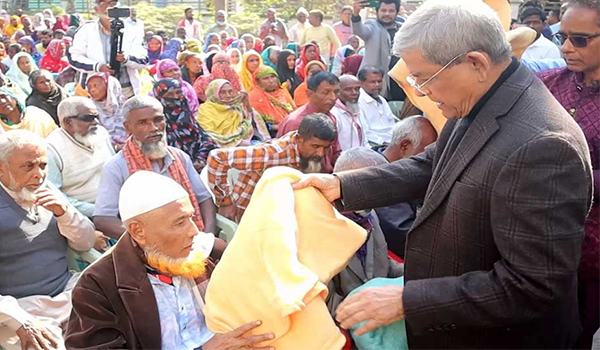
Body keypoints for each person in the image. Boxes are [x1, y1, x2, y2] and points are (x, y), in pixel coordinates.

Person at [293, 1, 593, 348]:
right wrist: (342, 185)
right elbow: (432, 163)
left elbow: (532, 287)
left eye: (424, 77)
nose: (419, 91)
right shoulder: (484, 98)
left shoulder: (543, 146)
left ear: (476, 63)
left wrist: (407, 301)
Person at [65, 170, 271, 349]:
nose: (194, 231)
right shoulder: (97, 287)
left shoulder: (208, 251)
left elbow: (264, 273)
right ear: (138, 231)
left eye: (191, 217)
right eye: (180, 222)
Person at [536, 1, 599, 347]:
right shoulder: (545, 84)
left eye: (580, 39)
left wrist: (564, 177)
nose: (565, 48)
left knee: (575, 335)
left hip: (590, 248)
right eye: (562, 37)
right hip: (534, 238)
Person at [0, 130, 95, 350]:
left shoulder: (45, 190)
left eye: (43, 166)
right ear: (1, 168)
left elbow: (85, 243)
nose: (39, 174)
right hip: (21, 309)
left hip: (70, 291)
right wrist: (20, 321)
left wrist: (65, 213)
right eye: (28, 166)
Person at [93, 95, 217, 240]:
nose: (153, 128)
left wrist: (208, 235)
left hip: (193, 236)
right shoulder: (116, 167)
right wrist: (150, 241)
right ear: (128, 127)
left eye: (158, 120)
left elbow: (204, 197)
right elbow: (103, 219)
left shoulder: (179, 157)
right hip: (149, 248)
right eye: (142, 123)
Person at [207, 113, 337, 221]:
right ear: (299, 139)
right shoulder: (271, 153)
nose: (321, 153)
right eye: (315, 147)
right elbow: (217, 157)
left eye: (326, 148)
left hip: (282, 210)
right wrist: (225, 202)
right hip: (252, 215)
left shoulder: (311, 151)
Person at [326, 147, 404, 314]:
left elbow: (382, 265)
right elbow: (325, 301)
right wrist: (367, 311)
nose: (383, 197)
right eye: (376, 189)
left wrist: (419, 276)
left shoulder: (368, 215)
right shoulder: (318, 228)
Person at [373, 116, 437, 259]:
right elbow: (404, 234)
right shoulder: (380, 176)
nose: (428, 161)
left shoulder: (387, 164)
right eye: (425, 154)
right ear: (404, 146)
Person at [46, 97, 115, 218]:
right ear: (68, 122)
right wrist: (99, 211)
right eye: (88, 118)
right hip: (83, 216)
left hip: (116, 204)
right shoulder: (51, 149)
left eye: (96, 116)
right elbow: (55, 195)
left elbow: (115, 168)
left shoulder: (101, 133)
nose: (95, 122)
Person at [69, 0, 149, 98]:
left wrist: (126, 59)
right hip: (95, 90)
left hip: (125, 90)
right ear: (96, 9)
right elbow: (74, 57)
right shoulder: (86, 29)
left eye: (113, 3)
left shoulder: (133, 28)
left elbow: (144, 59)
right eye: (104, 3)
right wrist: (98, 67)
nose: (109, 7)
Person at [278, 71, 341, 173]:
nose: (333, 98)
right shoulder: (295, 122)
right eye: (326, 93)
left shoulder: (331, 118)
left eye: (336, 92)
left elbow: (335, 153)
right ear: (309, 94)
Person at [153, 78, 216, 172]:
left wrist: (200, 159)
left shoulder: (187, 116)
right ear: (159, 98)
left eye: (178, 92)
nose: (176, 97)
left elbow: (206, 139)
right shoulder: (156, 124)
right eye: (169, 94)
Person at [197, 79, 269, 147]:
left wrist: (247, 105)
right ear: (213, 94)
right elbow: (208, 134)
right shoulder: (205, 109)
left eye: (230, 91)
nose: (228, 95)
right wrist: (235, 143)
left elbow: (253, 124)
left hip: (244, 144)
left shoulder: (236, 107)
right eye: (223, 92)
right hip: (218, 146)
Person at [351, 0, 401, 98]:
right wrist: (355, 14)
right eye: (383, 10)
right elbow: (360, 31)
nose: (387, 14)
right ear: (377, 11)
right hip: (375, 81)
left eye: (391, 11)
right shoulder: (373, 26)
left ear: (397, 12)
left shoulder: (402, 29)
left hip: (397, 82)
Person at [86, 73, 128, 148]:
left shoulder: (127, 106)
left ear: (109, 87)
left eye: (96, 86)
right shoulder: (90, 109)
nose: (92, 90)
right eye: (89, 87)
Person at [249, 66, 296, 133]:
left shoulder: (282, 92)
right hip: (270, 132)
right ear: (258, 82)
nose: (271, 81)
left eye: (273, 77)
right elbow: (257, 122)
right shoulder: (255, 96)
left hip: (290, 127)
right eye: (265, 78)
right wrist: (277, 127)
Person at [357, 66, 396, 144]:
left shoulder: (381, 99)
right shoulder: (358, 101)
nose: (377, 85)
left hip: (391, 141)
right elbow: (365, 132)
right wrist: (383, 143)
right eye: (372, 82)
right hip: (375, 144)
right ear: (361, 83)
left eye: (379, 81)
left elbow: (392, 123)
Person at [331, 74, 367, 150]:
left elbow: (364, 140)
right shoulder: (334, 114)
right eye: (348, 89)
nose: (354, 93)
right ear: (338, 91)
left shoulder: (357, 109)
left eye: (357, 89)